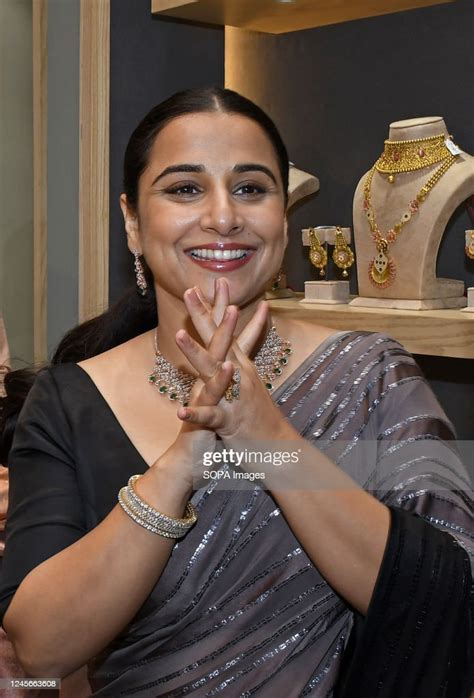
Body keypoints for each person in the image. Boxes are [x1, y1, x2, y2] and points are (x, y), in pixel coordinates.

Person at [0, 87, 472, 698]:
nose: (224, 216)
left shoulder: (370, 374)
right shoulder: (70, 400)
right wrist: (183, 457)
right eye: (184, 188)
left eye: (251, 187)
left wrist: (266, 434)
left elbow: (450, 595)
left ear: (282, 214)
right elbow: (42, 646)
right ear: (133, 222)